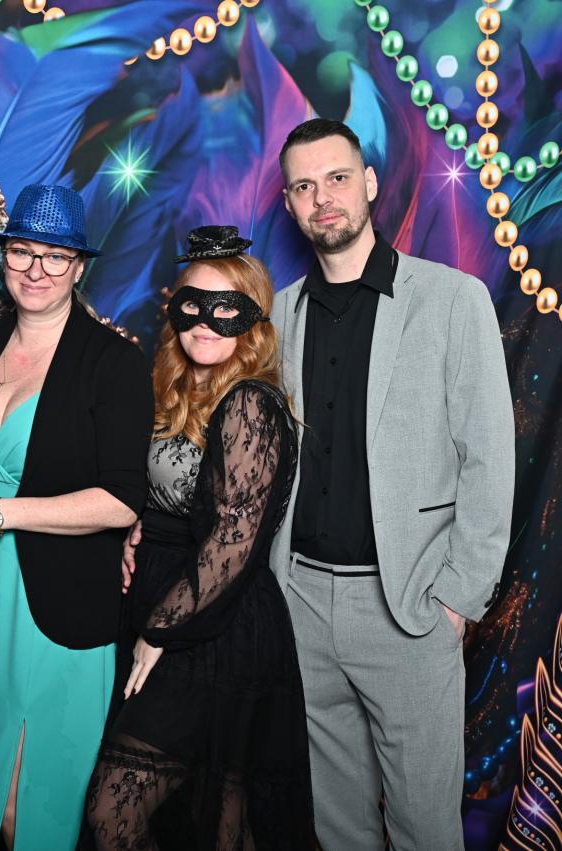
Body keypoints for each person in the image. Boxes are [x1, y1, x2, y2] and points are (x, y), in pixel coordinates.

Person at [271, 118, 515, 850]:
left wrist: (456, 600)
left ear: (370, 183)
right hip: (301, 601)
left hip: (407, 606)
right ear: (289, 203)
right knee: (336, 826)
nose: (324, 198)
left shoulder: (452, 299)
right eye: (304, 186)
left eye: (337, 178)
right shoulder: (279, 313)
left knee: (424, 829)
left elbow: (489, 457)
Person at [0, 184, 153, 851]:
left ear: (79, 267)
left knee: (23, 807)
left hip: (57, 609)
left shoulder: (112, 361)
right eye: (22, 251)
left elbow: (121, 499)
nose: (36, 269)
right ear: (5, 257)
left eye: (55, 256)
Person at [85, 226, 315, 850]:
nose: (205, 323)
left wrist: (161, 631)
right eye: (192, 305)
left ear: (253, 320)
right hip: (162, 600)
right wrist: (134, 522)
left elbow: (234, 539)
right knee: (202, 823)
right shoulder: (174, 390)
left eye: (225, 309)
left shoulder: (250, 403)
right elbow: (164, 488)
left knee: (117, 811)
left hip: (212, 623)